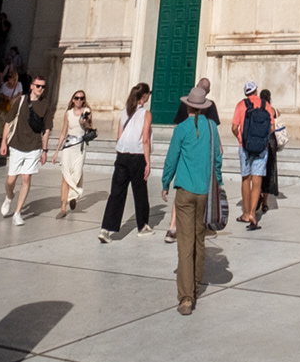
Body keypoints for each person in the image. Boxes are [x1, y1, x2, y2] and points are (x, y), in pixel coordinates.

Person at [160, 78, 223, 316]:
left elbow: (171, 158)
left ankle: (187, 297)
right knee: (199, 238)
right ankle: (195, 284)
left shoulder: (182, 129)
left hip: (185, 192)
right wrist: (217, 180)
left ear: (188, 107)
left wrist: (166, 182)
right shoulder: (212, 128)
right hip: (205, 191)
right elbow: (217, 159)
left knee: (184, 243)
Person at [100, 83, 155, 242]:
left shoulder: (124, 113)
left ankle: (106, 228)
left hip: (122, 155)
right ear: (144, 96)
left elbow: (119, 137)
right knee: (140, 192)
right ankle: (143, 226)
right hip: (137, 156)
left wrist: (120, 155)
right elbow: (145, 139)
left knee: (116, 193)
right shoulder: (146, 114)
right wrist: (147, 161)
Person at [165, 79, 217, 244]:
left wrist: (165, 182)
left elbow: (176, 126)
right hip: (200, 158)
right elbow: (214, 130)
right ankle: (190, 228)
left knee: (183, 191)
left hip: (187, 150)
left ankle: (173, 226)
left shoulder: (184, 114)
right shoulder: (210, 109)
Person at [0, 74, 49, 224]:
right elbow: (8, 122)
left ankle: (17, 212)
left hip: (34, 146)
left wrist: (45, 150)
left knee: (26, 178)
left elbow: (46, 129)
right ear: (32, 86)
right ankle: (9, 197)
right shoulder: (20, 101)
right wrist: (3, 142)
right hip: (17, 144)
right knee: (10, 180)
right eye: (38, 86)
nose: (40, 89)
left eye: (43, 86)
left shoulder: (46, 104)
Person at [231, 81, 275, 230]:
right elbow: (272, 127)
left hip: (245, 147)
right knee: (257, 181)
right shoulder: (266, 105)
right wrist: (262, 140)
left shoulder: (240, 105)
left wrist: (240, 138)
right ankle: (252, 215)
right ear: (256, 91)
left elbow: (234, 127)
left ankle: (245, 213)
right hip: (261, 148)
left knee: (246, 178)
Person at [55, 88, 92, 218]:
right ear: (72, 99)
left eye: (82, 98)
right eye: (76, 98)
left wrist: (85, 122)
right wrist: (56, 151)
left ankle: (73, 195)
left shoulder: (87, 112)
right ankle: (63, 208)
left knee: (77, 174)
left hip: (80, 148)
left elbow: (89, 127)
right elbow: (63, 132)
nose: (79, 100)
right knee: (65, 177)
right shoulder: (68, 113)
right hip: (68, 147)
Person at [257, 87, 282, 218]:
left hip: (261, 141)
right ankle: (265, 202)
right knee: (268, 172)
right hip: (271, 143)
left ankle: (258, 195)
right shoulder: (273, 110)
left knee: (258, 170)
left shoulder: (259, 108)